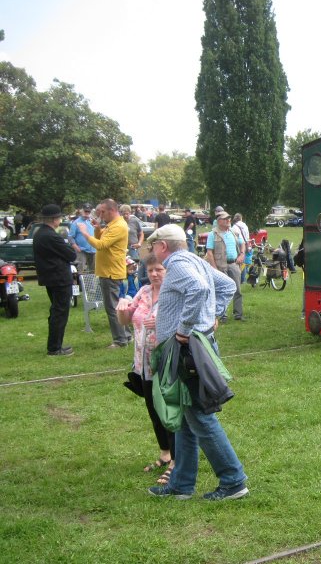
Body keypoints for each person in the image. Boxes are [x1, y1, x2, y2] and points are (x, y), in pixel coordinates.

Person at [144, 224, 248, 501]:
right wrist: (211, 316)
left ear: (162, 246)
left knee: (201, 416)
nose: (153, 251)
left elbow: (200, 288)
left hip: (187, 350)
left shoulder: (177, 263)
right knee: (188, 418)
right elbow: (226, 285)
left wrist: (185, 328)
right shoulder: (192, 259)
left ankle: (233, 481)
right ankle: (181, 485)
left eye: (154, 245)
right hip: (194, 347)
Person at [116, 254, 174, 485]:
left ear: (168, 270)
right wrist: (121, 307)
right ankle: (165, 453)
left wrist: (160, 324)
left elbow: (184, 323)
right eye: (150, 270)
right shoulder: (143, 292)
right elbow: (124, 321)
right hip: (143, 365)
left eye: (159, 269)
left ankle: (177, 461)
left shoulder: (173, 294)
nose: (154, 274)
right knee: (153, 410)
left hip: (166, 363)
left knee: (168, 412)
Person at [77, 199, 131, 348]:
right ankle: (126, 336)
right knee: (116, 307)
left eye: (102, 211)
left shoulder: (118, 226)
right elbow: (102, 239)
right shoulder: (112, 224)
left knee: (112, 309)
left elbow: (100, 245)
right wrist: (97, 229)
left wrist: (84, 233)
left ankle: (120, 341)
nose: (99, 214)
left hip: (111, 273)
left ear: (111, 210)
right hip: (108, 272)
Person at [33, 204, 77, 356]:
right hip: (59, 278)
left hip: (50, 277)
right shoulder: (52, 235)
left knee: (56, 311)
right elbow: (71, 255)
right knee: (60, 312)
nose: (60, 219)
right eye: (59, 217)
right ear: (53, 219)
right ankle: (54, 347)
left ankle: (55, 344)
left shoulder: (39, 233)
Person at [205, 211, 245, 321]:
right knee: (221, 291)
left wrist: (242, 254)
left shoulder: (233, 232)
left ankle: (238, 314)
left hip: (233, 264)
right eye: (225, 219)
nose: (228, 220)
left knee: (237, 290)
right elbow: (209, 253)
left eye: (229, 218)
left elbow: (242, 243)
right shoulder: (213, 234)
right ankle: (222, 315)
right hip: (219, 267)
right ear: (219, 221)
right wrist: (214, 269)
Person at [68, 203, 97, 273]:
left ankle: (91, 284)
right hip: (81, 251)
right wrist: (76, 247)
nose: (87, 213)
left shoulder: (92, 222)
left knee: (93, 271)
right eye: (85, 211)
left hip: (93, 250)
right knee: (80, 271)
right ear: (82, 211)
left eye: (88, 212)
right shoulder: (76, 223)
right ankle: (79, 284)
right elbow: (70, 237)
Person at [232, 213, 251, 283]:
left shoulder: (234, 227)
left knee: (239, 262)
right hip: (246, 244)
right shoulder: (245, 225)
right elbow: (247, 236)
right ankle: (243, 278)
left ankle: (241, 279)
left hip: (239, 245)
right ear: (241, 218)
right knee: (244, 262)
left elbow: (235, 238)